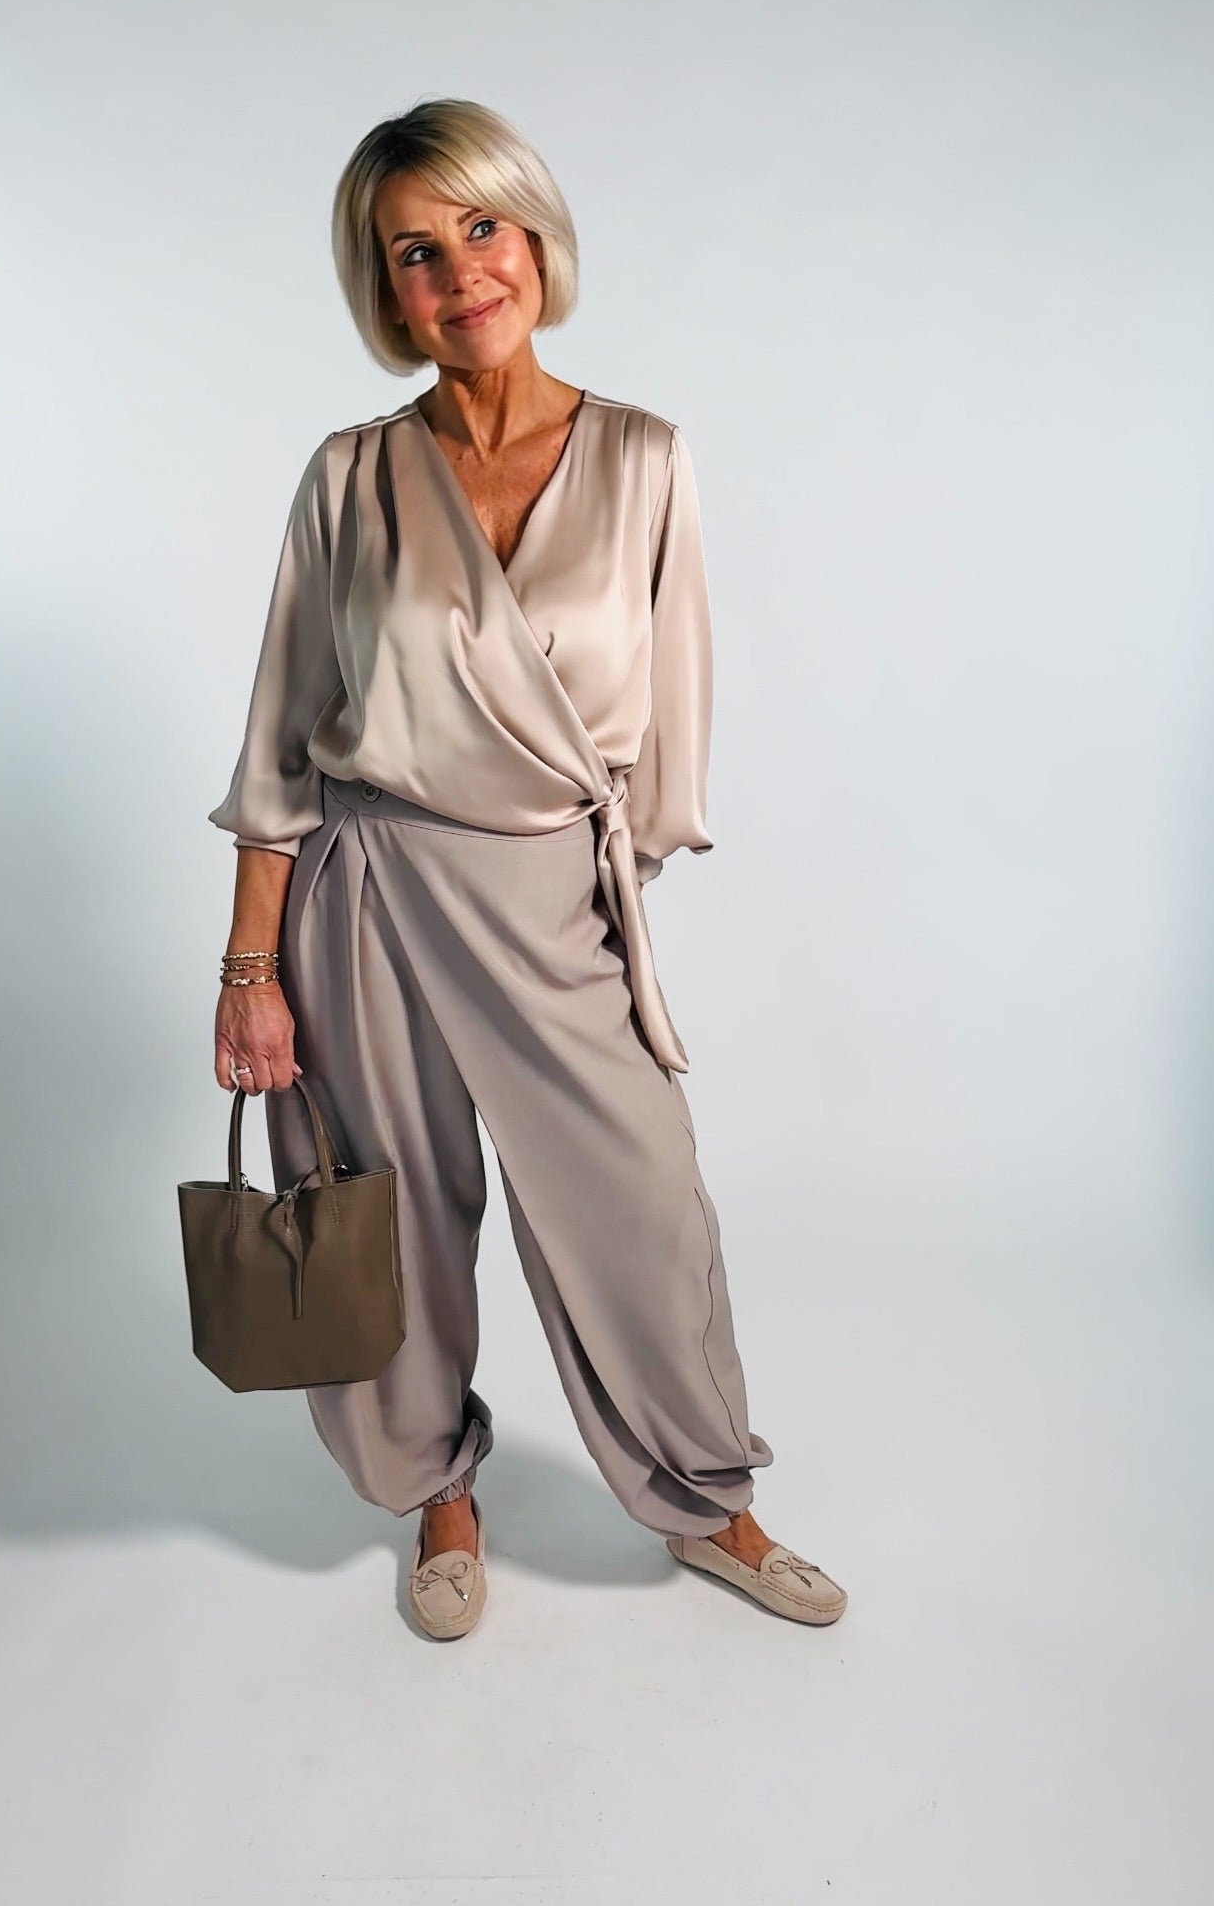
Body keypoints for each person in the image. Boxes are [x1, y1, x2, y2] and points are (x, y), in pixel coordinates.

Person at [207, 97, 847, 1641]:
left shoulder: (641, 459)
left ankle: (709, 1500)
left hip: (548, 888)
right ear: (385, 290)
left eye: (479, 228)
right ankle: (436, 1491)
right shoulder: (350, 475)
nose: (458, 273)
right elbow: (281, 740)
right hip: (363, 891)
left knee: (640, 1203)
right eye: (413, 252)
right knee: (387, 1211)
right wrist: (249, 969)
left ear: (536, 237)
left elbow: (664, 726)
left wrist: (589, 904)